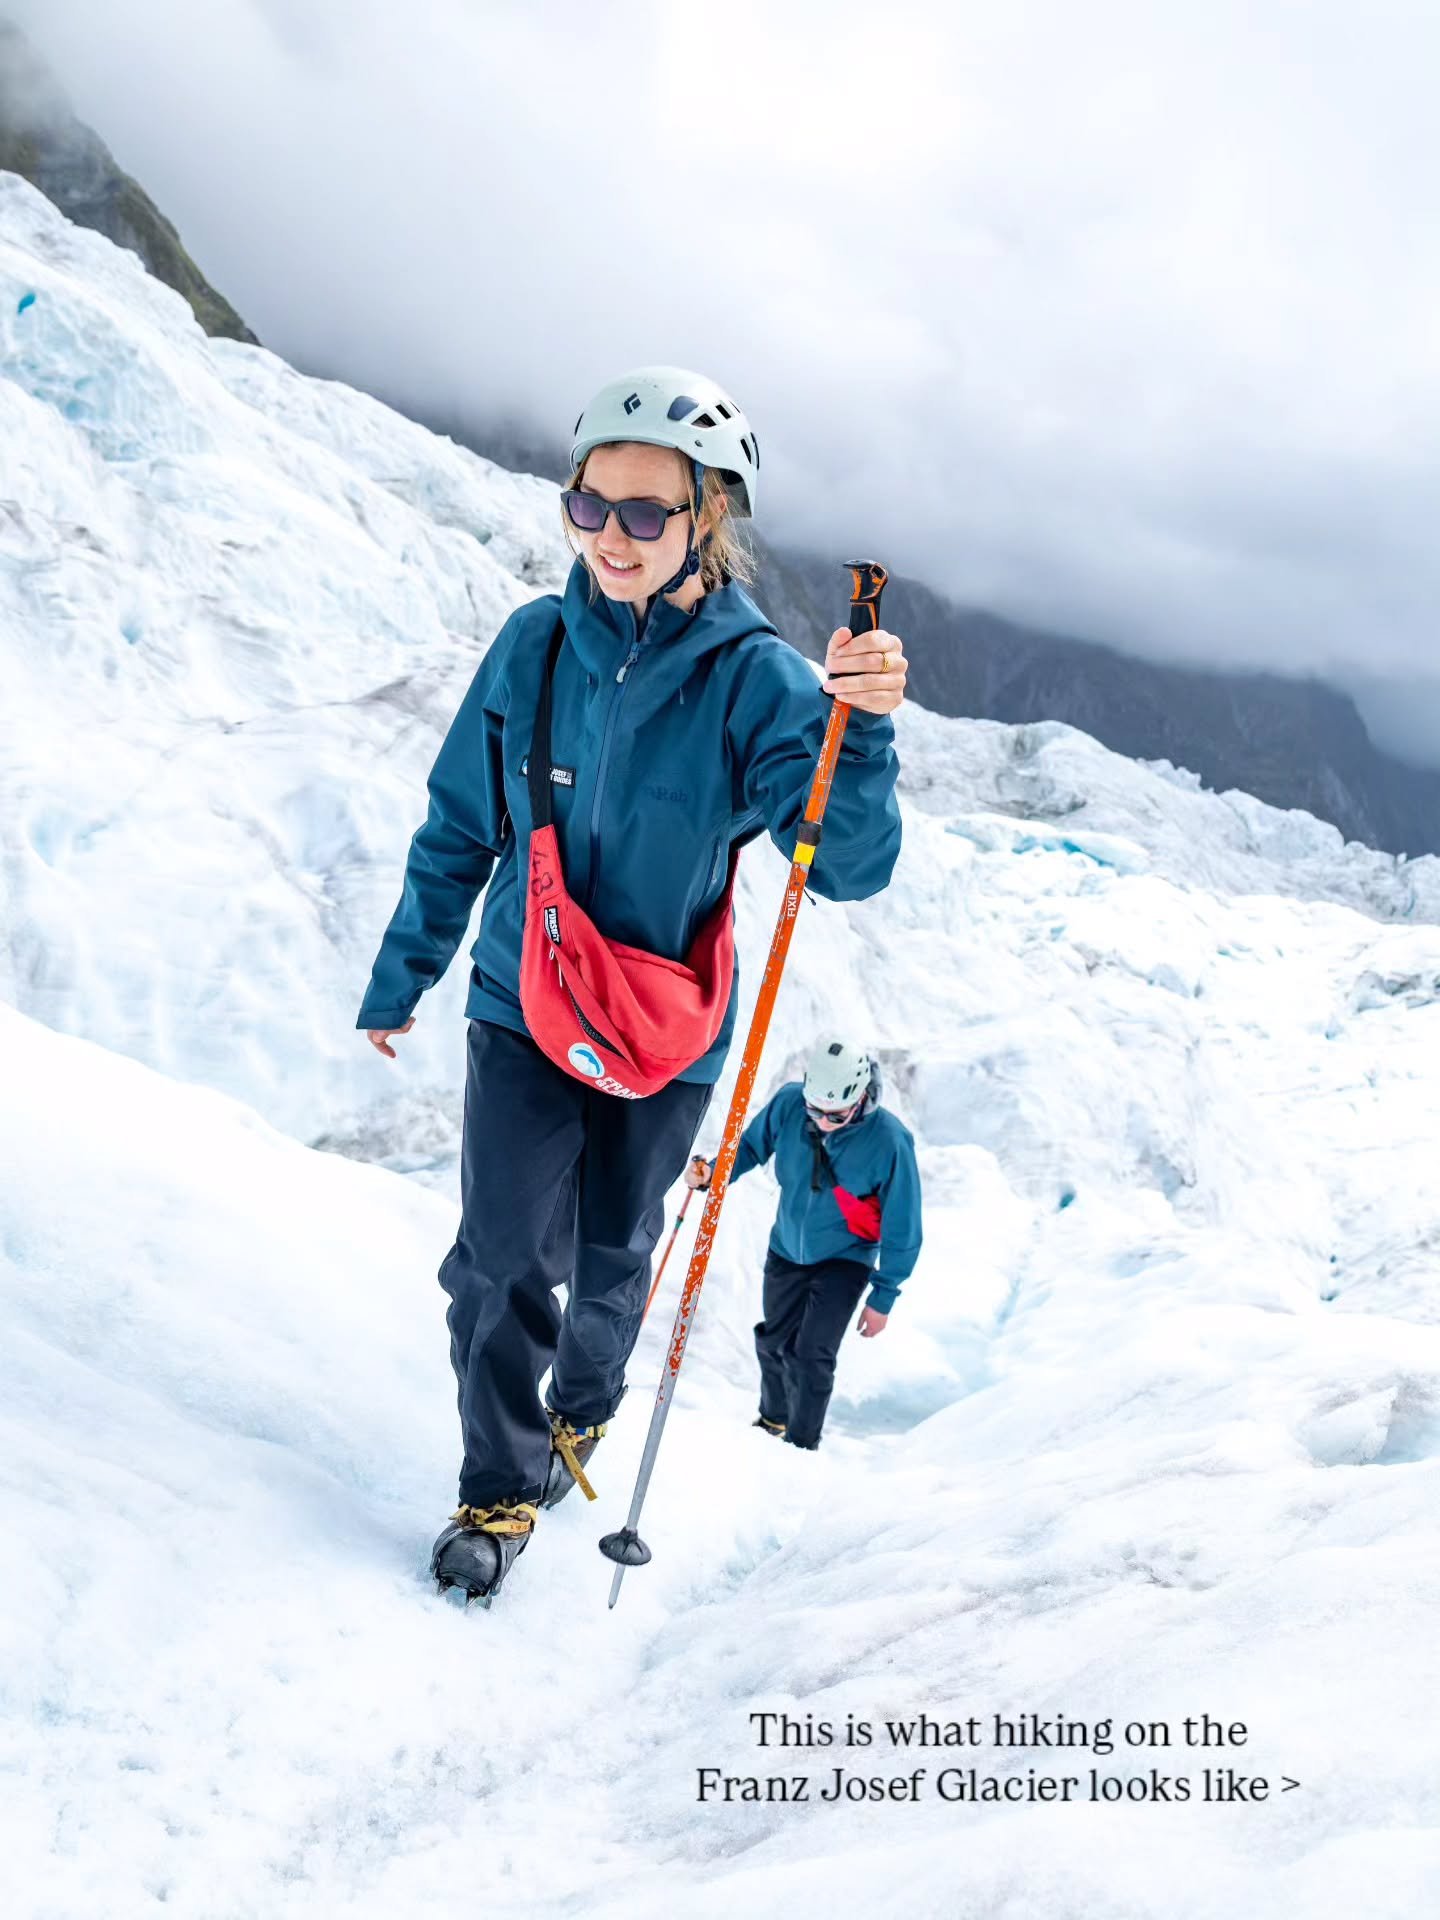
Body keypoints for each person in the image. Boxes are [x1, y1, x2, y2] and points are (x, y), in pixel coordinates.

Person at [357, 367, 909, 1600]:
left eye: (647, 512)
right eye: (589, 505)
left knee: (611, 1255)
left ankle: (583, 1409)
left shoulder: (757, 680)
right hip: (523, 993)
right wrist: (407, 972)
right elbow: (462, 824)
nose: (612, 536)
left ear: (708, 518)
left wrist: (861, 729)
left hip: (663, 1029)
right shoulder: (535, 647)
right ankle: (498, 1490)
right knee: (499, 1257)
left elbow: (847, 864)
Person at [686, 1035, 922, 1450]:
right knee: (773, 1342)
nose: (824, 1121)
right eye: (816, 1111)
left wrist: (883, 1296)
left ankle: (801, 1445)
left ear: (860, 1096)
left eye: (836, 1114)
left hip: (846, 1257)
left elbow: (903, 1225)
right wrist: (713, 1173)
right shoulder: (789, 1104)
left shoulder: (890, 1140)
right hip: (787, 1247)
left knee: (811, 1354)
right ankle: (772, 1421)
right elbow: (751, 1147)